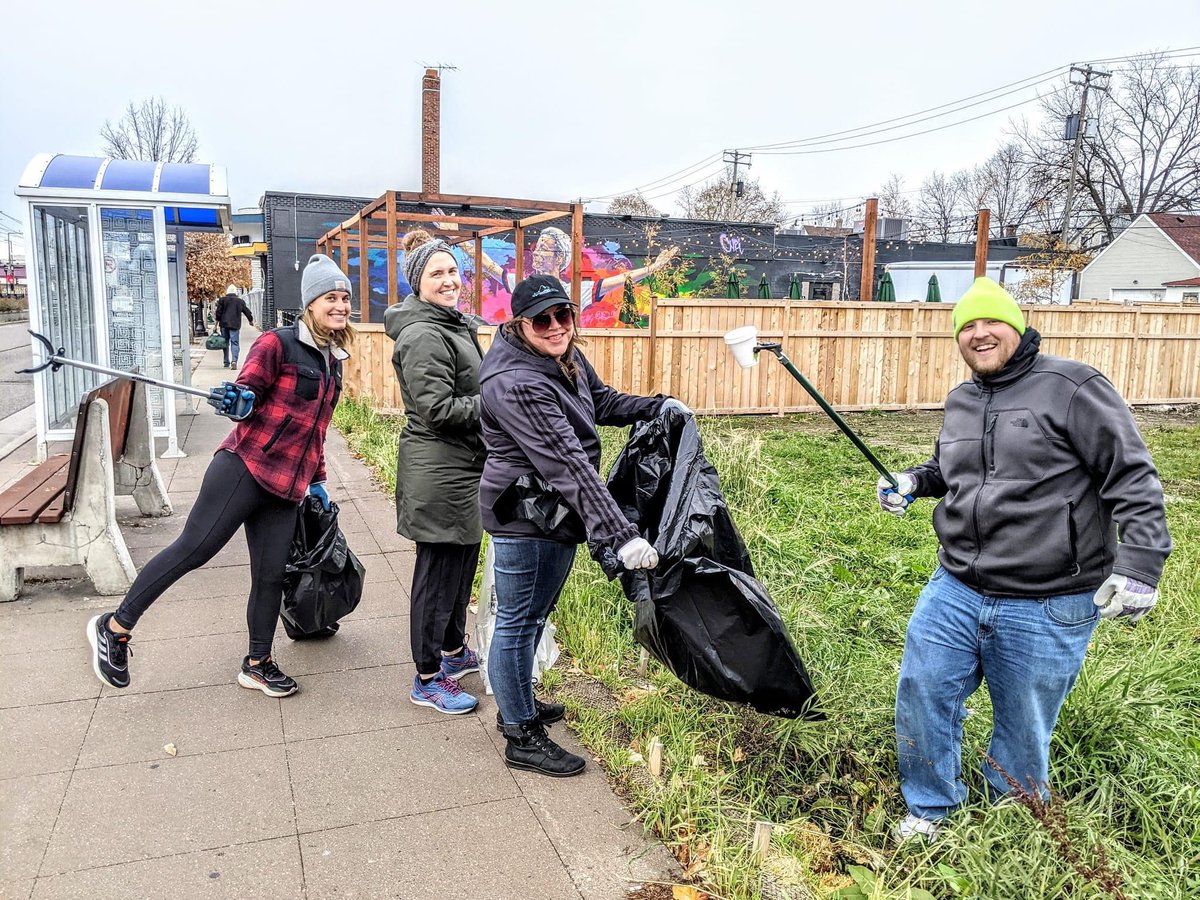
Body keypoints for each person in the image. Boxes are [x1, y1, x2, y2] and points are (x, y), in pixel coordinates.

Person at [877, 277, 1172, 841]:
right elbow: (952, 468)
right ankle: (931, 810)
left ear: (1017, 327)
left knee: (1022, 723)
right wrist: (914, 481)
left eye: (991, 321)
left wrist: (1140, 564)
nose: (979, 333)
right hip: (957, 585)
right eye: (966, 326)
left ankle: (1008, 829)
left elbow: (1132, 475)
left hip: (1049, 598)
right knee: (923, 692)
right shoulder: (963, 399)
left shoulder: (1073, 387)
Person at [86, 255, 355, 698]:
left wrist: (318, 480)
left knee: (270, 575)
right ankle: (114, 627)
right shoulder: (277, 344)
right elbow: (247, 389)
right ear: (310, 303)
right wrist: (239, 401)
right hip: (244, 468)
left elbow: (316, 430)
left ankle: (257, 663)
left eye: (344, 298)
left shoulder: (333, 360)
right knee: (194, 550)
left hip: (287, 486)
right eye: (331, 297)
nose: (340, 305)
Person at [479, 273, 691, 777]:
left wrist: (657, 404)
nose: (556, 326)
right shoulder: (517, 382)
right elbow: (568, 465)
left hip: (554, 511)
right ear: (519, 324)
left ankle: (518, 702)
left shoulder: (560, 356)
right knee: (518, 622)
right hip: (527, 515)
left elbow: (603, 401)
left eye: (563, 315)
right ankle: (520, 735)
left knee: (533, 616)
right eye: (542, 320)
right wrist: (622, 536)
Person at [384, 230, 487, 715]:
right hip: (439, 468)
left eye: (452, 271)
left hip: (463, 465)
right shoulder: (423, 334)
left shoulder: (451, 324)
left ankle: (453, 649)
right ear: (418, 283)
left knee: (461, 565)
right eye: (436, 274)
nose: (449, 280)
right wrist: (497, 403)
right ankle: (427, 677)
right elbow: (439, 409)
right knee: (438, 573)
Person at [215, 284, 255, 369]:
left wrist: (216, 324)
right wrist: (250, 320)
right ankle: (234, 361)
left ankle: (226, 361)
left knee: (225, 343)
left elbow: (218, 313)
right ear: (236, 292)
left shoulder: (222, 300)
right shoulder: (240, 301)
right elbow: (247, 312)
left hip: (224, 325)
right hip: (235, 325)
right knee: (235, 343)